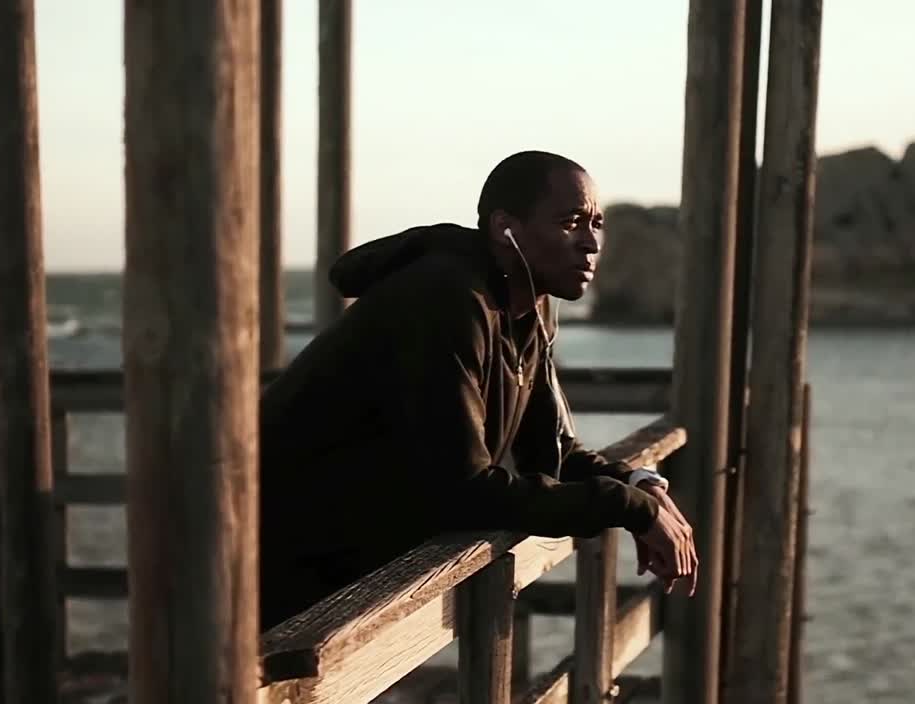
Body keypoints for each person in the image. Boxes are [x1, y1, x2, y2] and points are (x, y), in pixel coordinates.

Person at [258, 151, 698, 632]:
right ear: (505, 229)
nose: (590, 242)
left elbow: (547, 450)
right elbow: (464, 492)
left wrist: (639, 486)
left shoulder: (529, 307)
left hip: (338, 571)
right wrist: (625, 508)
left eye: (596, 223)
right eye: (571, 222)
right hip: (271, 563)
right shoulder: (445, 300)